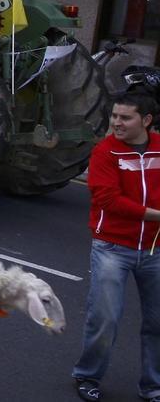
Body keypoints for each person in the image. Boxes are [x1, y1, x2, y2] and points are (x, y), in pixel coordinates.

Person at [74, 91, 160, 402]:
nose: (116, 123)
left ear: (146, 121)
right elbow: (108, 200)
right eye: (114, 116)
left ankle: (153, 387)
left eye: (125, 117)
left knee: (157, 322)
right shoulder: (105, 152)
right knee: (105, 318)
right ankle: (87, 376)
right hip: (112, 248)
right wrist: (156, 216)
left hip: (155, 249)